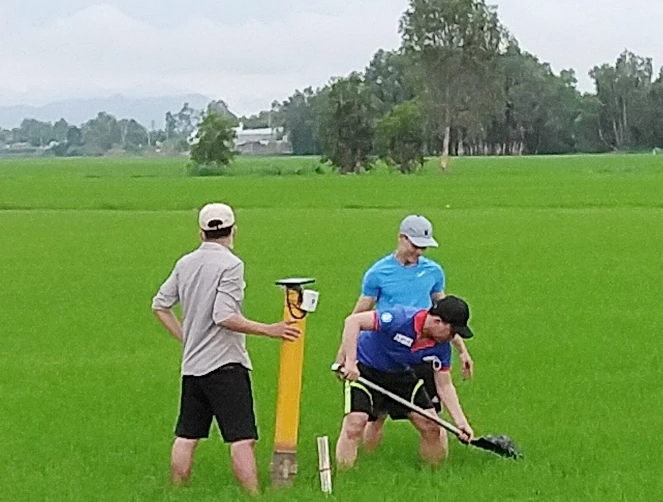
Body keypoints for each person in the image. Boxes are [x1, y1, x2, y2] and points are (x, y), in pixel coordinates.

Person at [151, 202, 301, 496]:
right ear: (233, 230)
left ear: (201, 232)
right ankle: (253, 495)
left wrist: (187, 338)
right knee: (242, 437)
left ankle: (176, 491)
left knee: (187, 435)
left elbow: (160, 305)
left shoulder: (186, 263)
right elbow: (224, 316)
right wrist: (270, 330)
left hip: (193, 365)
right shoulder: (231, 265)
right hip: (225, 365)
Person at [337, 214, 474, 452]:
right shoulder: (378, 273)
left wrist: (461, 349)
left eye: (424, 247)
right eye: (415, 245)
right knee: (373, 417)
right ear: (401, 239)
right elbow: (357, 315)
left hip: (422, 350)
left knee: (432, 420)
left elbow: (447, 315)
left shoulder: (434, 272)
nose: (419, 252)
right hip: (385, 341)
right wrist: (345, 359)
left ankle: (436, 473)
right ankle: (367, 461)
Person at [334, 295, 475, 469]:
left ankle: (434, 477)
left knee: (431, 426)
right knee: (355, 423)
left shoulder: (441, 348)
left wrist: (461, 423)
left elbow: (444, 385)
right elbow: (353, 321)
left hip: (401, 375)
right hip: (366, 371)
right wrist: (349, 362)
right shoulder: (400, 318)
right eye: (452, 332)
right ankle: (345, 476)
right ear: (438, 322)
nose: (453, 338)